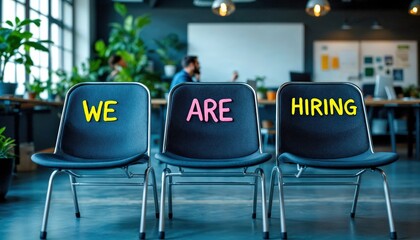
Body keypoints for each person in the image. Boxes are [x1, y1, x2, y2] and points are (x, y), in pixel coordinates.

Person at [170, 55, 239, 90]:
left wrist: (197, 79)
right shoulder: (182, 78)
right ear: (191, 65)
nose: (199, 65)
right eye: (197, 63)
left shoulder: (185, 76)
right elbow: (196, 92)